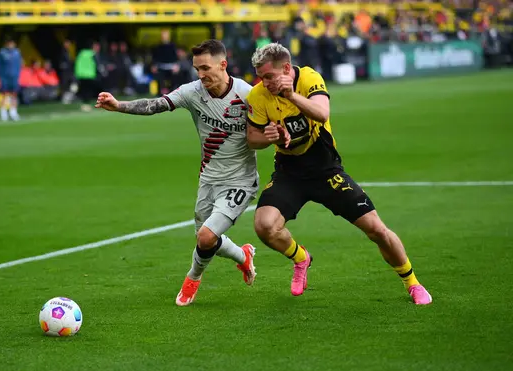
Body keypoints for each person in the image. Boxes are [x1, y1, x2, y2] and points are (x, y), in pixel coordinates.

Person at [245, 43, 432, 305]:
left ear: (286, 69)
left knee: (376, 230)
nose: (264, 83)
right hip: (289, 172)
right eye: (260, 77)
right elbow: (252, 139)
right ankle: (301, 258)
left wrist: (291, 96)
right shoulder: (258, 95)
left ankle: (412, 282)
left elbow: (322, 113)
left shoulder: (309, 77)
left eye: (268, 76)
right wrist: (268, 137)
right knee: (264, 226)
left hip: (325, 170)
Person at [95, 39, 258, 306]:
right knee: (205, 241)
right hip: (209, 178)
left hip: (241, 180)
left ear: (223, 65)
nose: (200, 74)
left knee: (206, 237)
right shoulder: (193, 91)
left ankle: (192, 279)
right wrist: (120, 105)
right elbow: (156, 104)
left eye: (205, 68)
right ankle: (243, 256)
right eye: (197, 69)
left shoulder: (248, 94)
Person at [0, 39, 22, 121]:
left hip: (14, 76)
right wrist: (0, 76)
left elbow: (19, 64)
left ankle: (13, 112)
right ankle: (3, 112)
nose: (11, 45)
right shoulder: (2, 53)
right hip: (5, 77)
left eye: (13, 43)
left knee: (14, 94)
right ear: (7, 44)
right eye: (10, 43)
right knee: (5, 94)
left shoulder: (17, 52)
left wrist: (18, 74)